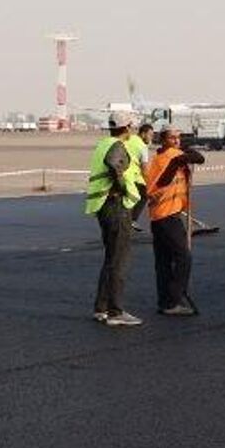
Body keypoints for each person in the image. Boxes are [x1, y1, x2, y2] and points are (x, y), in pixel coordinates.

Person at [85, 111, 144, 327]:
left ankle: (101, 308)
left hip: (102, 206)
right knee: (119, 260)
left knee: (110, 258)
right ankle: (115, 311)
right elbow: (113, 163)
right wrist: (120, 185)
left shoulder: (103, 143)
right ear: (127, 128)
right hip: (116, 205)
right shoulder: (118, 146)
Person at [144, 127, 206, 316]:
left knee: (163, 261)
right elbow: (199, 158)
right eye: (173, 138)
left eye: (179, 138)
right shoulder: (170, 157)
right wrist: (184, 153)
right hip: (167, 214)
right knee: (183, 257)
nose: (177, 141)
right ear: (163, 140)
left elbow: (194, 158)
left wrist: (184, 153)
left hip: (158, 215)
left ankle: (165, 302)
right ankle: (174, 298)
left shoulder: (158, 158)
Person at [125, 122, 154, 230]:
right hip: (133, 176)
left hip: (120, 173)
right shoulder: (142, 147)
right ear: (143, 134)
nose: (151, 138)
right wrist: (150, 185)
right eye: (150, 135)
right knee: (144, 194)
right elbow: (145, 169)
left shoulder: (129, 138)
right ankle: (132, 219)